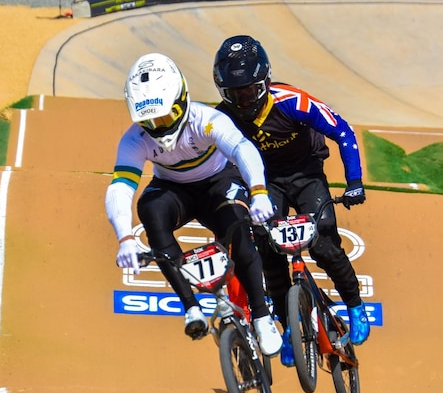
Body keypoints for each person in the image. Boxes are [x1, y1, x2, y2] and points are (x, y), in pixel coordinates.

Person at [105, 52, 283, 356]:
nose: (158, 128)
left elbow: (243, 150)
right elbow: (120, 187)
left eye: (164, 118)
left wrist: (258, 191)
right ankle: (191, 308)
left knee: (239, 234)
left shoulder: (207, 120)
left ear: (182, 100)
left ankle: (262, 316)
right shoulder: (134, 139)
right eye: (148, 122)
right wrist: (124, 238)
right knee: (150, 211)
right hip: (174, 190)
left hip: (218, 182)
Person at [212, 35, 370, 368]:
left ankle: (355, 306)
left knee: (324, 246)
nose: (242, 101)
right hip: (266, 184)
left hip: (306, 174)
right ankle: (289, 330)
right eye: (234, 94)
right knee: (270, 256)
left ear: (265, 83)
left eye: (249, 91)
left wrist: (354, 182)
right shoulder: (221, 118)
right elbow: (214, 162)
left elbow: (342, 130)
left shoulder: (292, 100)